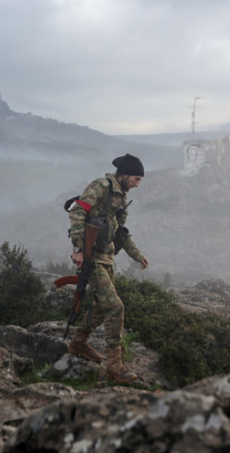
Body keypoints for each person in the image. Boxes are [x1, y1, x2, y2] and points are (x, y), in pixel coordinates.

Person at [66, 153, 149, 383]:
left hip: (107, 258)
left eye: (139, 180)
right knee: (115, 308)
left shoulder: (122, 199)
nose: (137, 184)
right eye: (135, 178)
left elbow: (121, 232)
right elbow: (77, 211)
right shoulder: (101, 186)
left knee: (101, 309)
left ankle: (78, 343)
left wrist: (137, 255)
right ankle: (115, 367)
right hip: (92, 256)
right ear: (123, 175)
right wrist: (78, 248)